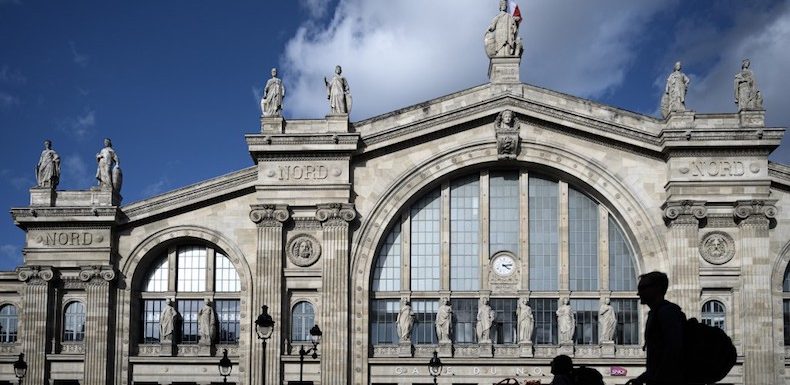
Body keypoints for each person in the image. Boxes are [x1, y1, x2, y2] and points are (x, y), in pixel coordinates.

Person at [625, 271, 686, 385]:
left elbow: (673, 350)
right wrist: (643, 378)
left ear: (657, 289)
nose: (638, 293)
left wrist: (654, 379)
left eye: (643, 288)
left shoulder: (667, 313)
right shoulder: (657, 313)